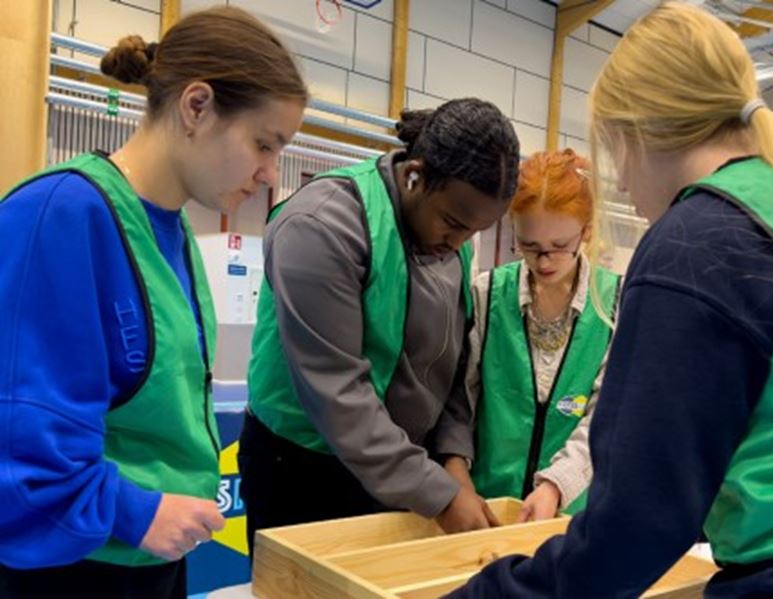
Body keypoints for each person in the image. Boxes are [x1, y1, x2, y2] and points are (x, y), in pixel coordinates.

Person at [449, 3, 773, 597]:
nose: (628, 190)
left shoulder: (699, 241)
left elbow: (640, 519)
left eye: (612, 159)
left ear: (632, 135)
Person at [0, 7, 307, 598]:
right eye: (263, 144)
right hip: (72, 569)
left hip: (152, 559)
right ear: (196, 107)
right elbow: (21, 446)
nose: (271, 173)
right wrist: (134, 512)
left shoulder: (176, 233)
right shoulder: (61, 216)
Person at [239, 98, 520, 553]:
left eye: (475, 231)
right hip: (303, 467)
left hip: (402, 467)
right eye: (453, 223)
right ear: (416, 175)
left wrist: (452, 459)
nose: (460, 244)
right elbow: (337, 394)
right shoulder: (322, 226)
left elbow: (452, 365)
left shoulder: (451, 239)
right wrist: (440, 494)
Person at [463, 150, 619, 521]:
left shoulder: (614, 305)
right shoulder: (487, 294)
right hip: (488, 511)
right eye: (529, 246)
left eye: (559, 247)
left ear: (588, 231)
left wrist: (555, 485)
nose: (544, 261)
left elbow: (607, 416)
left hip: (570, 516)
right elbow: (461, 403)